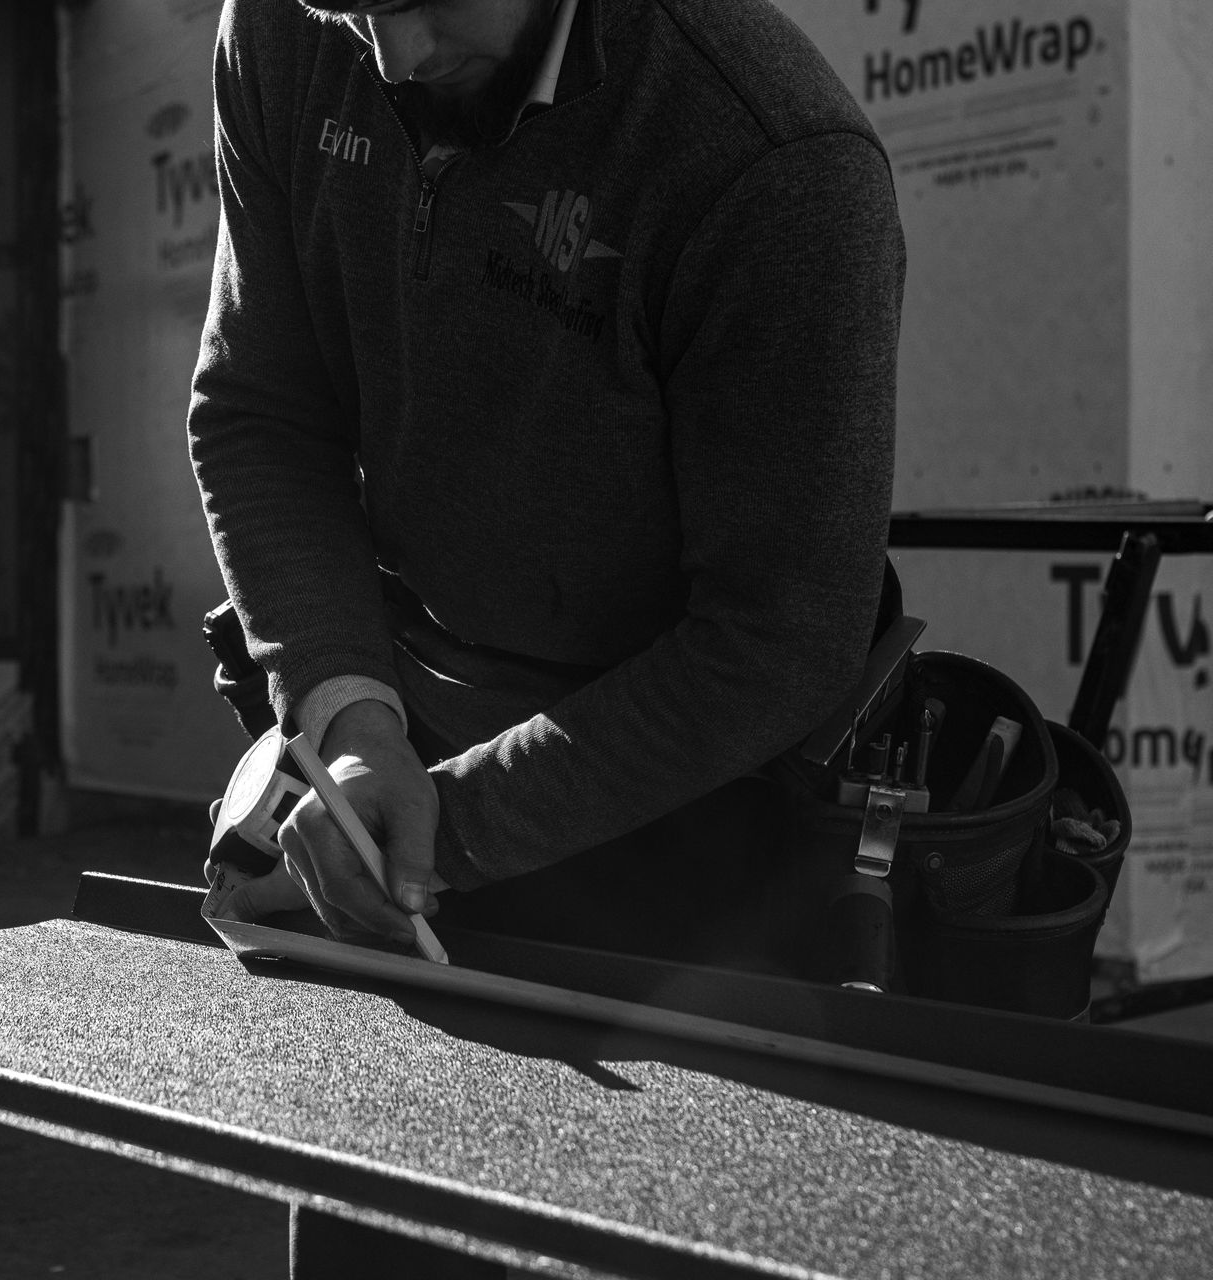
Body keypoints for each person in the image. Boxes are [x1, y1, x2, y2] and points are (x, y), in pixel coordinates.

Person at [188, 0, 904, 968]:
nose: (392, 60)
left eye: (422, 0)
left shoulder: (777, 161)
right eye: (350, 10)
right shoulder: (280, 28)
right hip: (403, 714)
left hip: (675, 799)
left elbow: (779, 636)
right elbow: (261, 412)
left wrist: (446, 829)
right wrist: (349, 719)